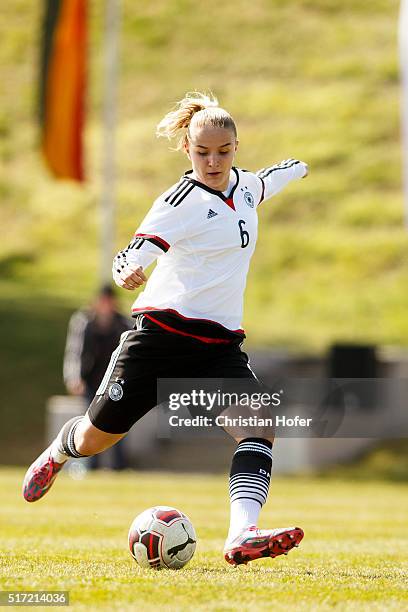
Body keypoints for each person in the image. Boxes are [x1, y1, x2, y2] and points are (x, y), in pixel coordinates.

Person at [23, 92, 308, 566]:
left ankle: (242, 535)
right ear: (186, 150)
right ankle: (58, 452)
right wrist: (127, 272)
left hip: (218, 344)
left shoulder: (247, 187)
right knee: (98, 437)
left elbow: (273, 178)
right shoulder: (179, 202)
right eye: (202, 152)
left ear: (237, 146)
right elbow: (131, 253)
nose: (213, 160)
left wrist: (299, 167)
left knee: (259, 427)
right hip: (159, 337)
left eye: (223, 150)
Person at [63, 285, 131, 469]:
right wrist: (74, 377)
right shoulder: (84, 321)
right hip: (91, 380)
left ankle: (119, 465)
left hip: (115, 382)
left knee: (117, 422)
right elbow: (75, 351)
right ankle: (90, 465)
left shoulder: (123, 323)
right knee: (90, 422)